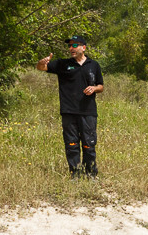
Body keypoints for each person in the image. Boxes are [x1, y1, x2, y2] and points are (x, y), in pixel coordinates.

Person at [36, 35, 104, 178]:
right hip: (68, 110)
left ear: (83, 47)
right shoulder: (63, 64)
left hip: (88, 111)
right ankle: (75, 174)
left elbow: (101, 86)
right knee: (71, 145)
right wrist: (41, 63)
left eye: (74, 45)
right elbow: (41, 68)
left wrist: (94, 88)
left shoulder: (94, 65)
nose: (71, 48)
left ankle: (91, 174)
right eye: (69, 46)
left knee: (89, 144)